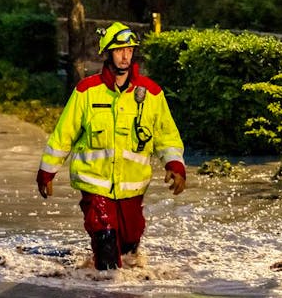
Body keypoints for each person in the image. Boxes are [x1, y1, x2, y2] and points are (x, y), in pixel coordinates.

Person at [36, 21, 186, 270]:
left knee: (129, 252)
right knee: (107, 251)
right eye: (119, 50)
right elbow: (63, 135)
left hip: (132, 190)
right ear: (108, 54)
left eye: (129, 49)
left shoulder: (151, 94)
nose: (125, 55)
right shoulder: (87, 91)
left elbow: (166, 136)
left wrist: (175, 165)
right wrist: (47, 172)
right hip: (95, 188)